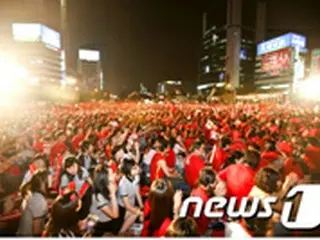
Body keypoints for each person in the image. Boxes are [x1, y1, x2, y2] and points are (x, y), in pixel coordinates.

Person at [90, 164, 121, 236]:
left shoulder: (106, 186)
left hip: (107, 218)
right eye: (111, 174)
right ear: (105, 179)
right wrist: (113, 194)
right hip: (100, 223)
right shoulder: (98, 195)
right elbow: (115, 215)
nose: (114, 174)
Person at [17, 169, 50, 236]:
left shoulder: (31, 194)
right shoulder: (39, 201)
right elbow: (37, 232)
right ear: (42, 183)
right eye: (49, 180)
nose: (52, 182)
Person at [117, 158, 143, 234]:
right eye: (134, 168)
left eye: (136, 166)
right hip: (122, 208)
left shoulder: (136, 177)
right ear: (128, 171)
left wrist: (142, 207)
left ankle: (125, 230)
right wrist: (140, 213)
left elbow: (137, 192)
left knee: (137, 210)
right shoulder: (123, 184)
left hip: (131, 204)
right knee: (135, 213)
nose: (138, 169)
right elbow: (127, 206)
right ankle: (120, 233)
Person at [189, 168, 216, 235]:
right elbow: (205, 221)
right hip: (201, 229)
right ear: (209, 184)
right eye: (215, 180)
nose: (216, 182)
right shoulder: (204, 199)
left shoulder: (196, 188)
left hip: (193, 222)